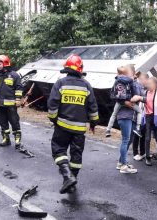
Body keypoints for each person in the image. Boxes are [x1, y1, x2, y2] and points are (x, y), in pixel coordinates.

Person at [47, 54, 99, 193]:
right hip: (79, 129)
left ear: (67, 68)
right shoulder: (87, 85)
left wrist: (53, 119)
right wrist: (93, 123)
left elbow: (53, 104)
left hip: (62, 126)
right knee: (76, 156)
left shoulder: (60, 83)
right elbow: (93, 107)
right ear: (80, 70)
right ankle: (72, 181)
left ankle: (67, 176)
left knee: (58, 149)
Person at [0, 55, 23, 148]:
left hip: (12, 106)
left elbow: (19, 88)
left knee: (14, 122)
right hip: (0, 105)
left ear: (5, 63)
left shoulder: (14, 75)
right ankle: (6, 139)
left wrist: (18, 99)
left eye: (0, 64)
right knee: (2, 122)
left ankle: (17, 139)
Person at [106, 65, 142, 138]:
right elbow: (134, 91)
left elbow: (112, 92)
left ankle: (108, 129)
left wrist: (119, 100)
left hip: (119, 101)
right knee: (139, 111)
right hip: (129, 101)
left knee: (114, 114)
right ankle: (138, 129)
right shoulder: (130, 80)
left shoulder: (116, 80)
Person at [132, 72, 149, 161]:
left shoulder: (147, 90)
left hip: (145, 116)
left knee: (143, 134)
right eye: (142, 79)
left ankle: (142, 152)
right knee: (136, 135)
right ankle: (135, 153)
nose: (143, 81)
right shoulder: (137, 87)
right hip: (137, 115)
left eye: (144, 80)